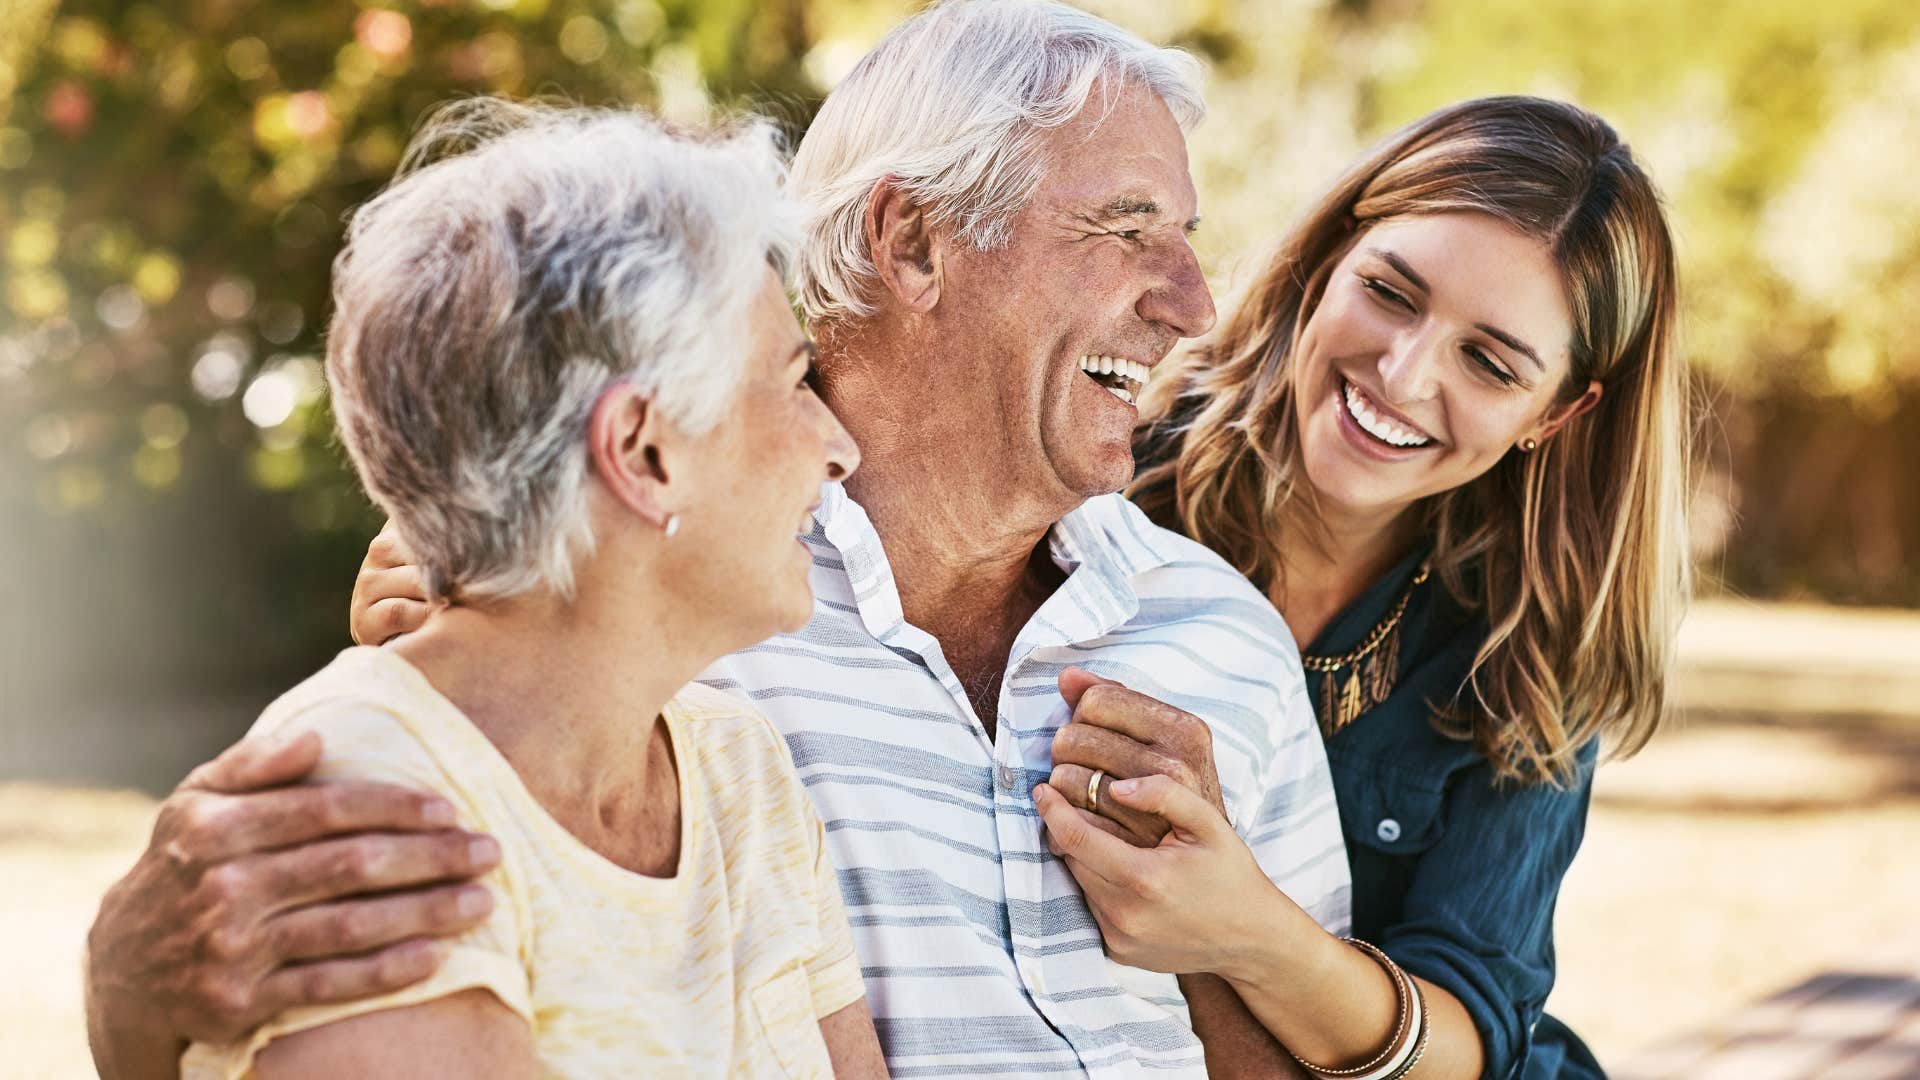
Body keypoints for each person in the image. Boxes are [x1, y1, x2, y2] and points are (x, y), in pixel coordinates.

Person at [85, 4, 1351, 1078]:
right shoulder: (515, 714)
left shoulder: (733, 764)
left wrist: (1237, 934)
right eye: (1128, 227)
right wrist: (127, 985)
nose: (1196, 304)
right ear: (912, 239)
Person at [135, 99, 891, 1079]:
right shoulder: (358, 807)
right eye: (794, 384)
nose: (841, 448)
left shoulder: (737, 769)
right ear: (642, 451)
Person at [1031, 96, 1689, 1079]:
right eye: (1390, 292)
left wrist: (1246, 932)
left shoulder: (1530, 639)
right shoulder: (1107, 480)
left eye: (1489, 362)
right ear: (1332, 255)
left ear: (1555, 414)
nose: (1403, 372)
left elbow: (1475, 1033)